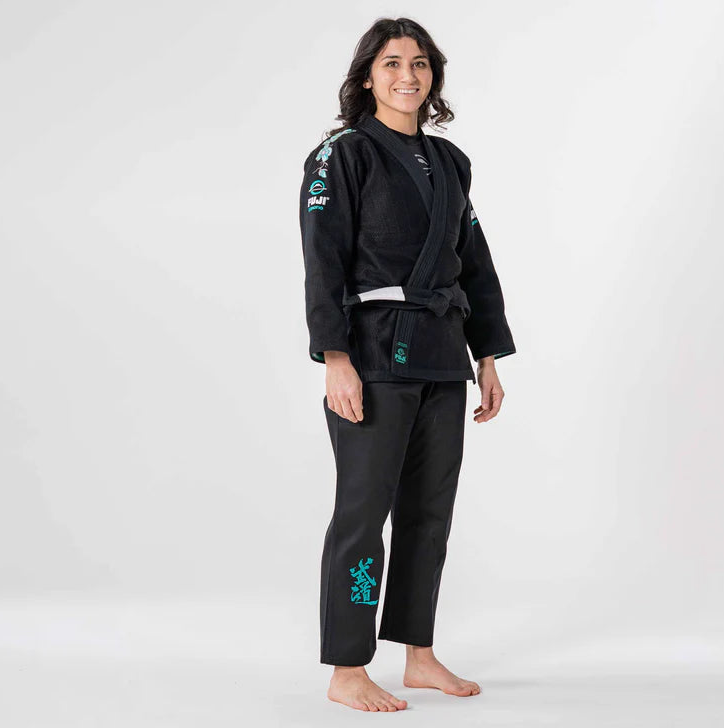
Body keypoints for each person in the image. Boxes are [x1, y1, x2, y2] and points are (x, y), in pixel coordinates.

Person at [298, 17, 517, 713]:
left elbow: (474, 262)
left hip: (442, 354)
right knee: (363, 513)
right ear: (368, 76)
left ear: (433, 76)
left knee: (428, 513)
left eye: (419, 63)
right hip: (372, 352)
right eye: (392, 63)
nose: (407, 76)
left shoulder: (450, 163)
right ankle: (347, 668)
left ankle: (419, 656)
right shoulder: (341, 155)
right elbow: (322, 260)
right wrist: (335, 357)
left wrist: (486, 353)